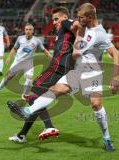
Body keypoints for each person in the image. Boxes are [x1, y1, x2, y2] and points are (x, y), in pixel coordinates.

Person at [7, 3, 119, 152]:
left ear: (90, 17)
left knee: (95, 105)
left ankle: (106, 138)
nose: (78, 20)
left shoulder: (100, 33)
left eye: (81, 17)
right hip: (76, 72)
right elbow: (76, 45)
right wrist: (76, 43)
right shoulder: (82, 28)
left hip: (92, 74)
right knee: (55, 89)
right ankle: (27, 111)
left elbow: (116, 54)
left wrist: (115, 78)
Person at [8, 7, 79, 143]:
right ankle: (22, 135)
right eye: (53, 20)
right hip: (62, 67)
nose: (54, 22)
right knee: (36, 99)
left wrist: (78, 31)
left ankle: (49, 127)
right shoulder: (62, 30)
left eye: (56, 19)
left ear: (64, 17)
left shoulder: (65, 23)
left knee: (33, 94)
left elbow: (76, 25)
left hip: (59, 67)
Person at [0, 23, 51, 99]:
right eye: (26, 29)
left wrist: (50, 57)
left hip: (28, 63)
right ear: (24, 30)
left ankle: (24, 95)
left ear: (33, 31)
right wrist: (9, 57)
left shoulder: (37, 41)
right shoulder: (20, 38)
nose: (28, 31)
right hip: (18, 61)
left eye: (30, 29)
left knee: (29, 78)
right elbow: (14, 48)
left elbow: (44, 50)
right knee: (8, 77)